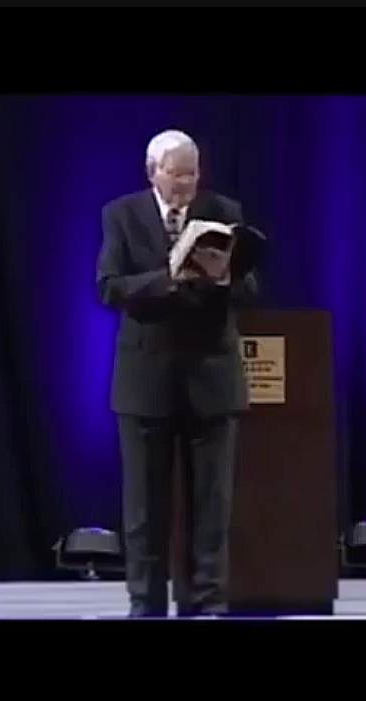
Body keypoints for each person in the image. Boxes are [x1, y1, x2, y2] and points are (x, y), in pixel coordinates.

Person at [95, 129, 260, 618]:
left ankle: (209, 604)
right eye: (177, 174)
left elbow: (250, 290)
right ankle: (145, 604)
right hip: (146, 381)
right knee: (144, 510)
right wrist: (168, 277)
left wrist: (223, 277)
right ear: (153, 173)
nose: (187, 183)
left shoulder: (223, 211)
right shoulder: (121, 214)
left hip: (211, 376)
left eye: (193, 173)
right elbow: (109, 287)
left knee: (211, 506)